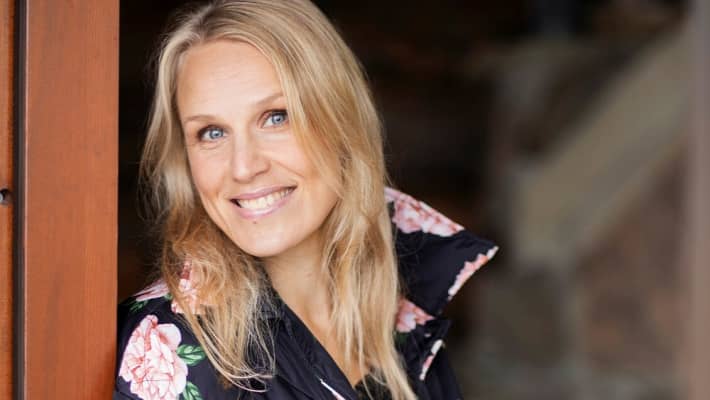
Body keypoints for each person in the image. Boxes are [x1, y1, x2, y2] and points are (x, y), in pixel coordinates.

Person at [113, 1, 498, 399]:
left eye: (276, 117)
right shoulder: (166, 349)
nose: (243, 167)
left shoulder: (398, 309)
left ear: (342, 121)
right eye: (212, 132)